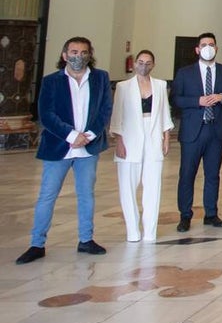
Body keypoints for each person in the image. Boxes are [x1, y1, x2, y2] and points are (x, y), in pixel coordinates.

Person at [16, 37, 113, 264]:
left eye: (83, 52)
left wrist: (88, 135)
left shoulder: (100, 78)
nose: (78, 56)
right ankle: (37, 243)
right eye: (73, 51)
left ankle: (86, 239)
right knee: (47, 196)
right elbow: (47, 114)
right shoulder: (51, 81)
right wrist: (71, 135)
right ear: (64, 55)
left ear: (90, 54)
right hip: (59, 146)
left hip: (87, 148)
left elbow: (105, 109)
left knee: (86, 194)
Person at [171, 32, 222, 232]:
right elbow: (175, 99)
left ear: (216, 48)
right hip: (193, 131)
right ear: (197, 49)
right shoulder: (185, 73)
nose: (208, 47)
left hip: (216, 130)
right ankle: (185, 215)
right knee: (187, 174)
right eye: (204, 44)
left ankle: (211, 213)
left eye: (211, 44)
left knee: (212, 174)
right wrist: (197, 101)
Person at [109, 49, 173, 243]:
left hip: (153, 136)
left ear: (153, 64)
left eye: (148, 62)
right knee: (127, 187)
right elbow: (117, 115)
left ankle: (150, 232)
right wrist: (118, 141)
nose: (144, 65)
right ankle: (133, 231)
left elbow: (164, 113)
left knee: (153, 186)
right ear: (135, 64)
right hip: (130, 137)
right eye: (140, 62)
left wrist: (166, 137)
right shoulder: (123, 86)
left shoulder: (160, 85)